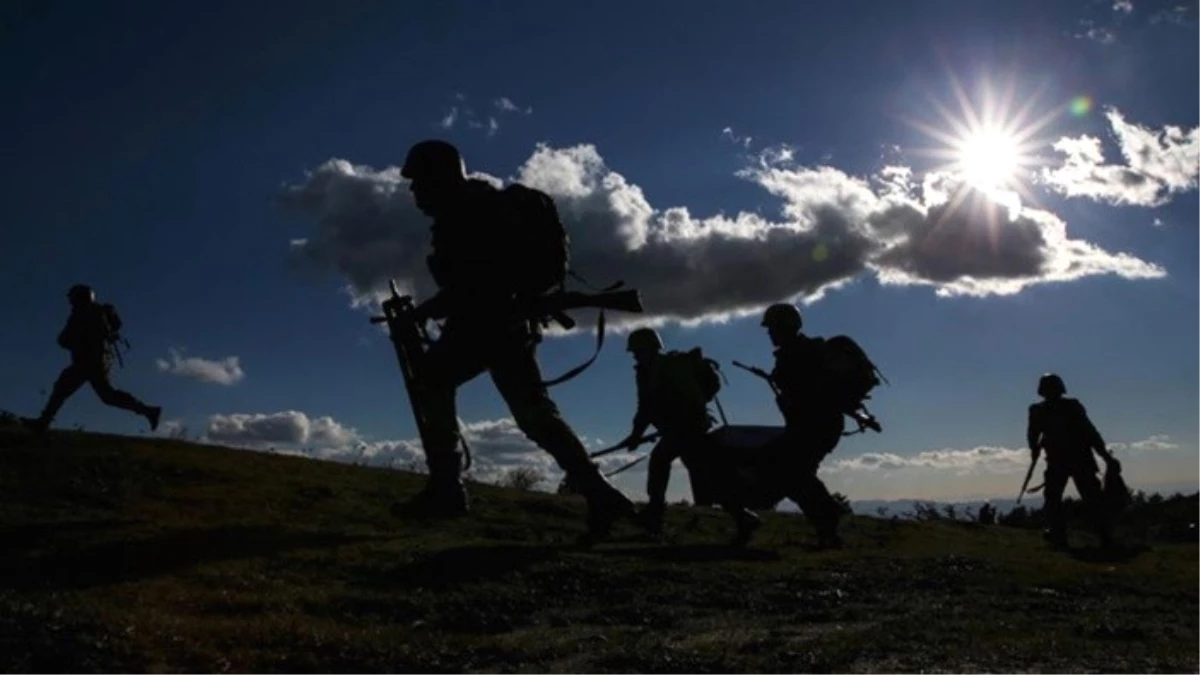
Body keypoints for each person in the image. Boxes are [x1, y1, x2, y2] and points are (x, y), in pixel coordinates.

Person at [394, 139, 636, 542]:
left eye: (419, 181)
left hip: (484, 325)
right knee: (535, 415)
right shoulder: (480, 208)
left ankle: (447, 489)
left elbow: (473, 285)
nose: (414, 191)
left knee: (433, 381)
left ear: (439, 177)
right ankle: (598, 492)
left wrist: (422, 313)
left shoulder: (465, 216)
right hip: (508, 327)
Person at [614, 328, 760, 544]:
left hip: (690, 428)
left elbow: (692, 399)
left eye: (638, 351)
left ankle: (655, 517)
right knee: (697, 471)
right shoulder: (644, 372)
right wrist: (636, 435)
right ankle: (743, 517)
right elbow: (645, 407)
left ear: (650, 349)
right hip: (677, 430)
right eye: (634, 352)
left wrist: (678, 424)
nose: (635, 355)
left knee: (667, 463)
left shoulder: (671, 366)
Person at [752, 302, 846, 549]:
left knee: (791, 472)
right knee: (794, 473)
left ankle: (828, 519)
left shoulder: (796, 354)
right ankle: (827, 524)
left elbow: (804, 393)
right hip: (818, 425)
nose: (769, 334)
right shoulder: (803, 351)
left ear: (783, 328)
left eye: (772, 328)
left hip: (814, 426)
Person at [24, 284, 162, 434]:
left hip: (90, 360)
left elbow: (64, 339)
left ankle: (43, 422)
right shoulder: (95, 312)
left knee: (64, 387)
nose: (71, 301)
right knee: (106, 395)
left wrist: (75, 342)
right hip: (98, 359)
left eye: (73, 298)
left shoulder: (84, 314)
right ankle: (148, 411)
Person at [1026, 373, 1118, 549]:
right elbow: (1091, 434)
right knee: (1087, 498)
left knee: (1060, 498)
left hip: (1064, 460)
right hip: (1076, 458)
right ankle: (1103, 535)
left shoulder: (1040, 410)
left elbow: (1033, 436)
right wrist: (1105, 456)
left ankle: (1061, 535)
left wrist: (1035, 449)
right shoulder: (1069, 407)